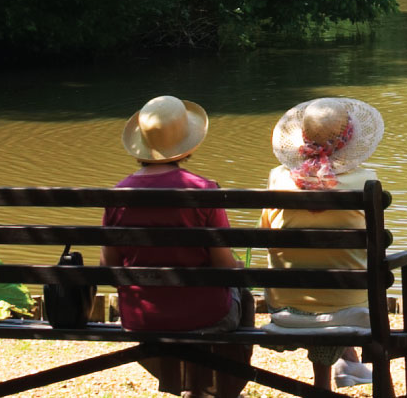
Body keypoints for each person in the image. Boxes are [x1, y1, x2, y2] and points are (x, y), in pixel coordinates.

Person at [103, 95, 253, 398]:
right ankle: (218, 390)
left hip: (142, 317)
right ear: (186, 143)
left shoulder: (118, 195)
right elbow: (224, 267)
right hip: (206, 316)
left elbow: (109, 267)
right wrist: (238, 266)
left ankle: (187, 386)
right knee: (240, 295)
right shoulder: (203, 191)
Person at [259, 97, 384, 389]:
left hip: (286, 310)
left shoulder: (278, 179)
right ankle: (348, 367)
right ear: (349, 141)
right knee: (348, 281)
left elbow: (264, 239)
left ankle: (336, 374)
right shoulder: (366, 181)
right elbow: (376, 245)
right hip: (351, 310)